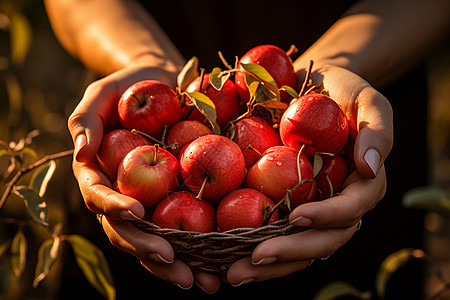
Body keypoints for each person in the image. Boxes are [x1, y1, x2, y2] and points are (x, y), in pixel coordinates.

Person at [44, 0, 450, 298]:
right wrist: (142, 59)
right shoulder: (150, 143)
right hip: (130, 151)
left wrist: (318, 74)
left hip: (343, 140)